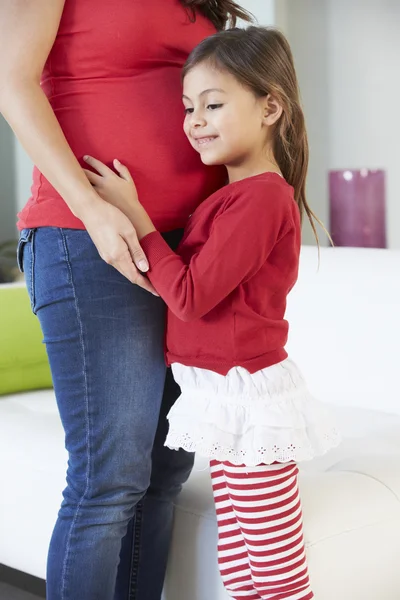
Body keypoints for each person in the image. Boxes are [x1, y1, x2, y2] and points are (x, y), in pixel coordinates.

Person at [0, 1, 253, 599]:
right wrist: (93, 209)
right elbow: (11, 82)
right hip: (86, 239)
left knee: (166, 470)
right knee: (108, 478)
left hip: (187, 250)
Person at [83, 26, 341, 600]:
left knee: (273, 570)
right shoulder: (231, 197)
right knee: (239, 557)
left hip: (250, 400)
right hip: (221, 397)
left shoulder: (262, 197)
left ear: (271, 106)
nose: (194, 120)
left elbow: (193, 295)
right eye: (188, 107)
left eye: (214, 104)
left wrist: (137, 217)